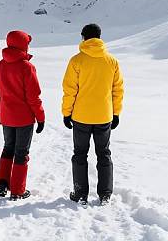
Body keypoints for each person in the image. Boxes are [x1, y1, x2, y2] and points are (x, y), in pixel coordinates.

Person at [61, 23, 124, 205]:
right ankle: (105, 194)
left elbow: (69, 90)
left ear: (83, 37)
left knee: (80, 154)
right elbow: (117, 89)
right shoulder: (111, 61)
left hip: (81, 116)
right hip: (104, 115)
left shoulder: (76, 60)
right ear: (99, 37)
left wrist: (66, 113)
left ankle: (80, 193)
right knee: (104, 153)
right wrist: (116, 112)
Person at [0, 30, 45, 200]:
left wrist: (0, 113)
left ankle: (3, 184)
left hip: (6, 117)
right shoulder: (27, 67)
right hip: (24, 119)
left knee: (8, 148)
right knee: (21, 153)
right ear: (23, 45)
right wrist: (40, 117)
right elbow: (33, 97)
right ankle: (17, 190)